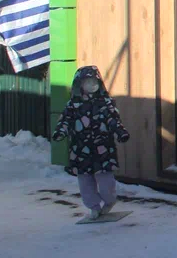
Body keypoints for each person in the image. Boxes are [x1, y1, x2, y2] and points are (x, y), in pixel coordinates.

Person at [51, 66, 130, 221]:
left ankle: (109, 201)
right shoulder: (73, 105)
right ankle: (93, 206)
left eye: (94, 82)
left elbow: (113, 120)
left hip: (103, 149)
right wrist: (60, 132)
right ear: (79, 84)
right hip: (80, 150)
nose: (91, 85)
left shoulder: (105, 103)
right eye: (87, 82)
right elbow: (65, 121)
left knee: (106, 180)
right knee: (85, 182)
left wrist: (121, 132)